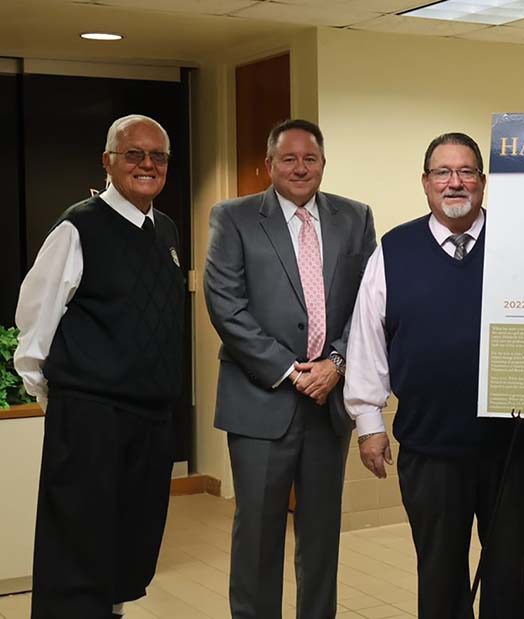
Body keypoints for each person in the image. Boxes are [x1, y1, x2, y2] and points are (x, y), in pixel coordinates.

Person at [344, 132, 524, 619]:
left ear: (483, 181)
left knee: (508, 575)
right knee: (440, 577)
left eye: (466, 172)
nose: (455, 183)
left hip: (512, 447)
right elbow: (367, 340)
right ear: (426, 182)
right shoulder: (394, 250)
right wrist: (369, 424)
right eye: (443, 172)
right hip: (431, 449)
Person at [204, 118, 376, 618]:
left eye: (311, 158)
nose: (301, 168)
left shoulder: (355, 217)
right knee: (258, 533)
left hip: (329, 402)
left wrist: (337, 364)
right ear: (269, 165)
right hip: (261, 400)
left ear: (323, 163)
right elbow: (225, 306)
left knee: (322, 534)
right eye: (289, 159)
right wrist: (291, 370)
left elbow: (369, 305)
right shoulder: (233, 217)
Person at [14, 114, 183, 619]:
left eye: (158, 156)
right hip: (91, 415)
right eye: (134, 154)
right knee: (78, 550)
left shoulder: (166, 229)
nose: (147, 164)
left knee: (127, 545)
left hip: (150, 419)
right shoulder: (78, 225)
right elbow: (36, 317)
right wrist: (64, 396)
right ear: (108, 161)